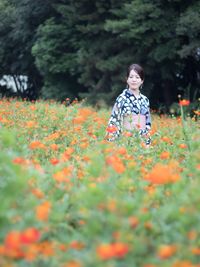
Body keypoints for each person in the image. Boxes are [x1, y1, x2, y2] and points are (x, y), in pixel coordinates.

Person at [106, 63, 151, 145]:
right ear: (127, 79)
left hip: (141, 142)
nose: (134, 80)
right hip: (126, 140)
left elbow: (148, 124)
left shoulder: (145, 100)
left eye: (137, 77)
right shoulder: (121, 98)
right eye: (131, 77)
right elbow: (114, 121)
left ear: (142, 80)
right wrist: (112, 143)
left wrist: (147, 143)